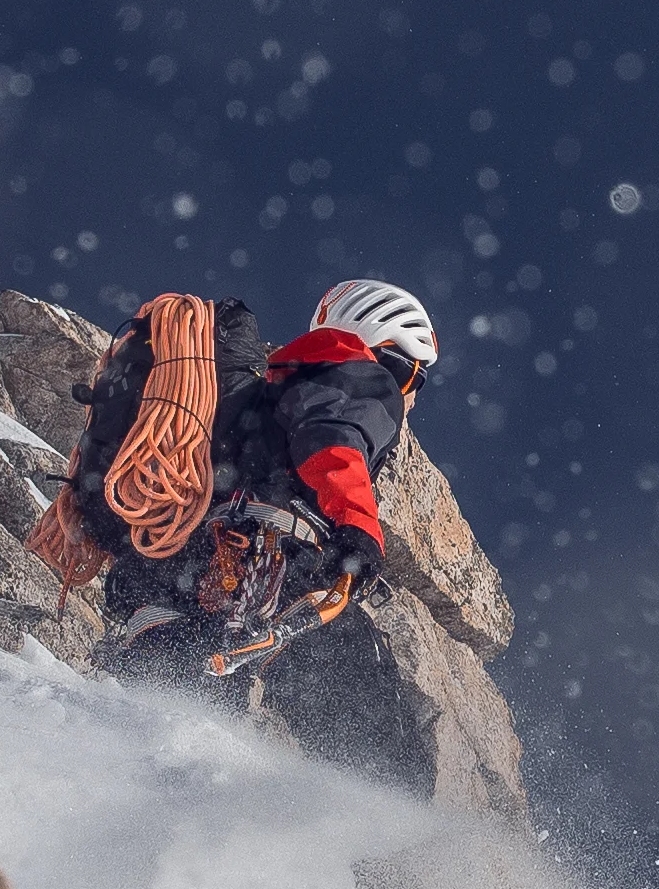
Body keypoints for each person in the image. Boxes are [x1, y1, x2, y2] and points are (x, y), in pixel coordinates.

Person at [26, 277, 439, 680]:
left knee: (165, 688)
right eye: (413, 377)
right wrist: (358, 530)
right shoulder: (359, 376)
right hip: (257, 566)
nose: (411, 397)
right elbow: (331, 444)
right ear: (391, 355)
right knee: (359, 675)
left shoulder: (258, 393)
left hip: (171, 567)